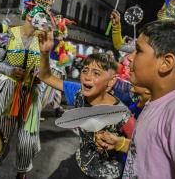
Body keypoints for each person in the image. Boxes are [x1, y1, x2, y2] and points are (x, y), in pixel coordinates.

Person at [96, 20, 175, 179]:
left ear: (166, 63)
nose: (130, 57)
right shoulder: (157, 103)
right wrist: (120, 143)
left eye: (138, 51)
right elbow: (152, 153)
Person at [0, 0, 65, 178]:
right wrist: (10, 70)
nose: (42, 19)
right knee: (0, 134)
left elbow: (46, 71)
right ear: (29, 13)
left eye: (45, 15)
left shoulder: (43, 41)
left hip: (31, 94)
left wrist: (43, 65)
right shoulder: (8, 34)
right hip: (7, 90)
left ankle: (22, 173)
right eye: (39, 13)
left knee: (27, 139)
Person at [38, 29, 135, 178]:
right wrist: (44, 53)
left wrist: (119, 143)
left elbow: (141, 148)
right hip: (78, 164)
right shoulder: (78, 92)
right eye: (85, 70)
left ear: (111, 82)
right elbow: (45, 76)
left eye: (96, 73)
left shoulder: (122, 114)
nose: (87, 77)